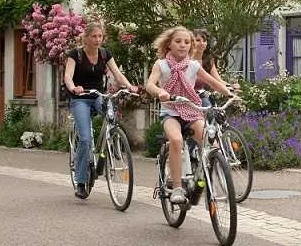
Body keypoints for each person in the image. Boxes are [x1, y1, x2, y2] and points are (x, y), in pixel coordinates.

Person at [145, 26, 232, 204]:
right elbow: (150, 85)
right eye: (178, 41)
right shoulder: (161, 65)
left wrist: (229, 94)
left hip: (191, 111)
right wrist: (160, 92)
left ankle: (203, 178)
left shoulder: (193, 65)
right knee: (176, 141)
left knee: (212, 144)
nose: (182, 45)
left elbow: (212, 82)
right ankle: (177, 187)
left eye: (186, 42)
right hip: (170, 112)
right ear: (169, 44)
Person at [64, 21, 137, 199]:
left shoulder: (105, 54)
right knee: (85, 139)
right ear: (86, 38)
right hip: (80, 98)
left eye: (100, 36)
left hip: (98, 95)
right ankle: (81, 182)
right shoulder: (76, 54)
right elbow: (68, 76)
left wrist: (129, 86)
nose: (98, 40)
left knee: (111, 115)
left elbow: (117, 74)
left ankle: (112, 142)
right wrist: (74, 88)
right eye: (94, 36)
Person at [192, 28, 237, 106]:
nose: (202, 43)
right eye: (198, 40)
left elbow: (218, 80)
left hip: (200, 95)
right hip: (185, 97)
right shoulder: (187, 60)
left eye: (204, 41)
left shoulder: (209, 60)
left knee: (211, 109)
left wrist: (231, 87)